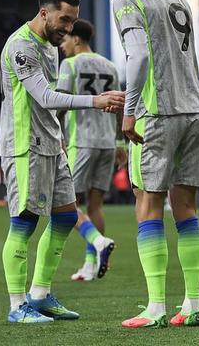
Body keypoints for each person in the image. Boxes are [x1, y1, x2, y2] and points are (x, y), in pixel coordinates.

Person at [0, 0, 125, 323]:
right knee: (24, 222)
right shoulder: (21, 46)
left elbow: (51, 103)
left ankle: (40, 296)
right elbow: (45, 97)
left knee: (68, 215)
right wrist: (96, 101)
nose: (68, 29)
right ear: (44, 13)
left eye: (72, 22)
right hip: (24, 145)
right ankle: (17, 306)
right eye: (64, 20)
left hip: (52, 144)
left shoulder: (51, 46)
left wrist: (59, 137)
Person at [102, 0, 199, 328]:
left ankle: (156, 308)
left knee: (147, 204)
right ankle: (192, 305)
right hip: (195, 111)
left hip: (158, 113)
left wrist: (130, 110)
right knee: (186, 207)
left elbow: (139, 56)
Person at [56, 18, 127, 282]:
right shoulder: (110, 66)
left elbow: (60, 102)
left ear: (76, 39)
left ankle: (98, 241)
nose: (61, 45)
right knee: (95, 205)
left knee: (65, 204)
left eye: (65, 39)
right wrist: (120, 142)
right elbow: (119, 106)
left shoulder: (70, 64)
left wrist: (55, 135)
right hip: (107, 143)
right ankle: (90, 265)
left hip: (81, 141)